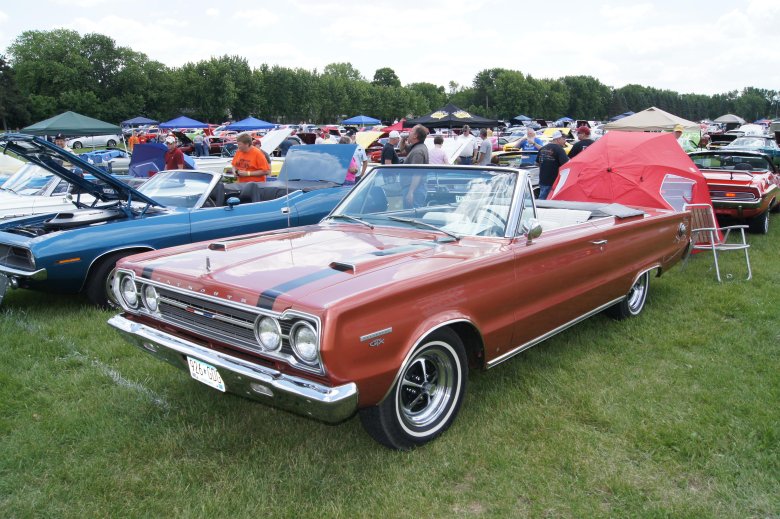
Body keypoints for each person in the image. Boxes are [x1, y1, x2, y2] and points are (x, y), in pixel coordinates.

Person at [401, 124, 428, 208]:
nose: (409, 132)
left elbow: (417, 174)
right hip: (415, 188)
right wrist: (403, 139)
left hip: (415, 189)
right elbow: (402, 149)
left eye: (411, 131)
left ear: (415, 136)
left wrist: (411, 192)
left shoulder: (417, 151)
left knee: (411, 216)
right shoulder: (417, 147)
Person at [536, 131, 569, 200]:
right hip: (554, 181)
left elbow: (537, 163)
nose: (565, 142)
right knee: (550, 202)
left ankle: (539, 209)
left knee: (542, 199)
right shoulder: (559, 150)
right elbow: (566, 165)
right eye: (563, 139)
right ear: (558, 139)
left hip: (542, 180)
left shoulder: (542, 148)